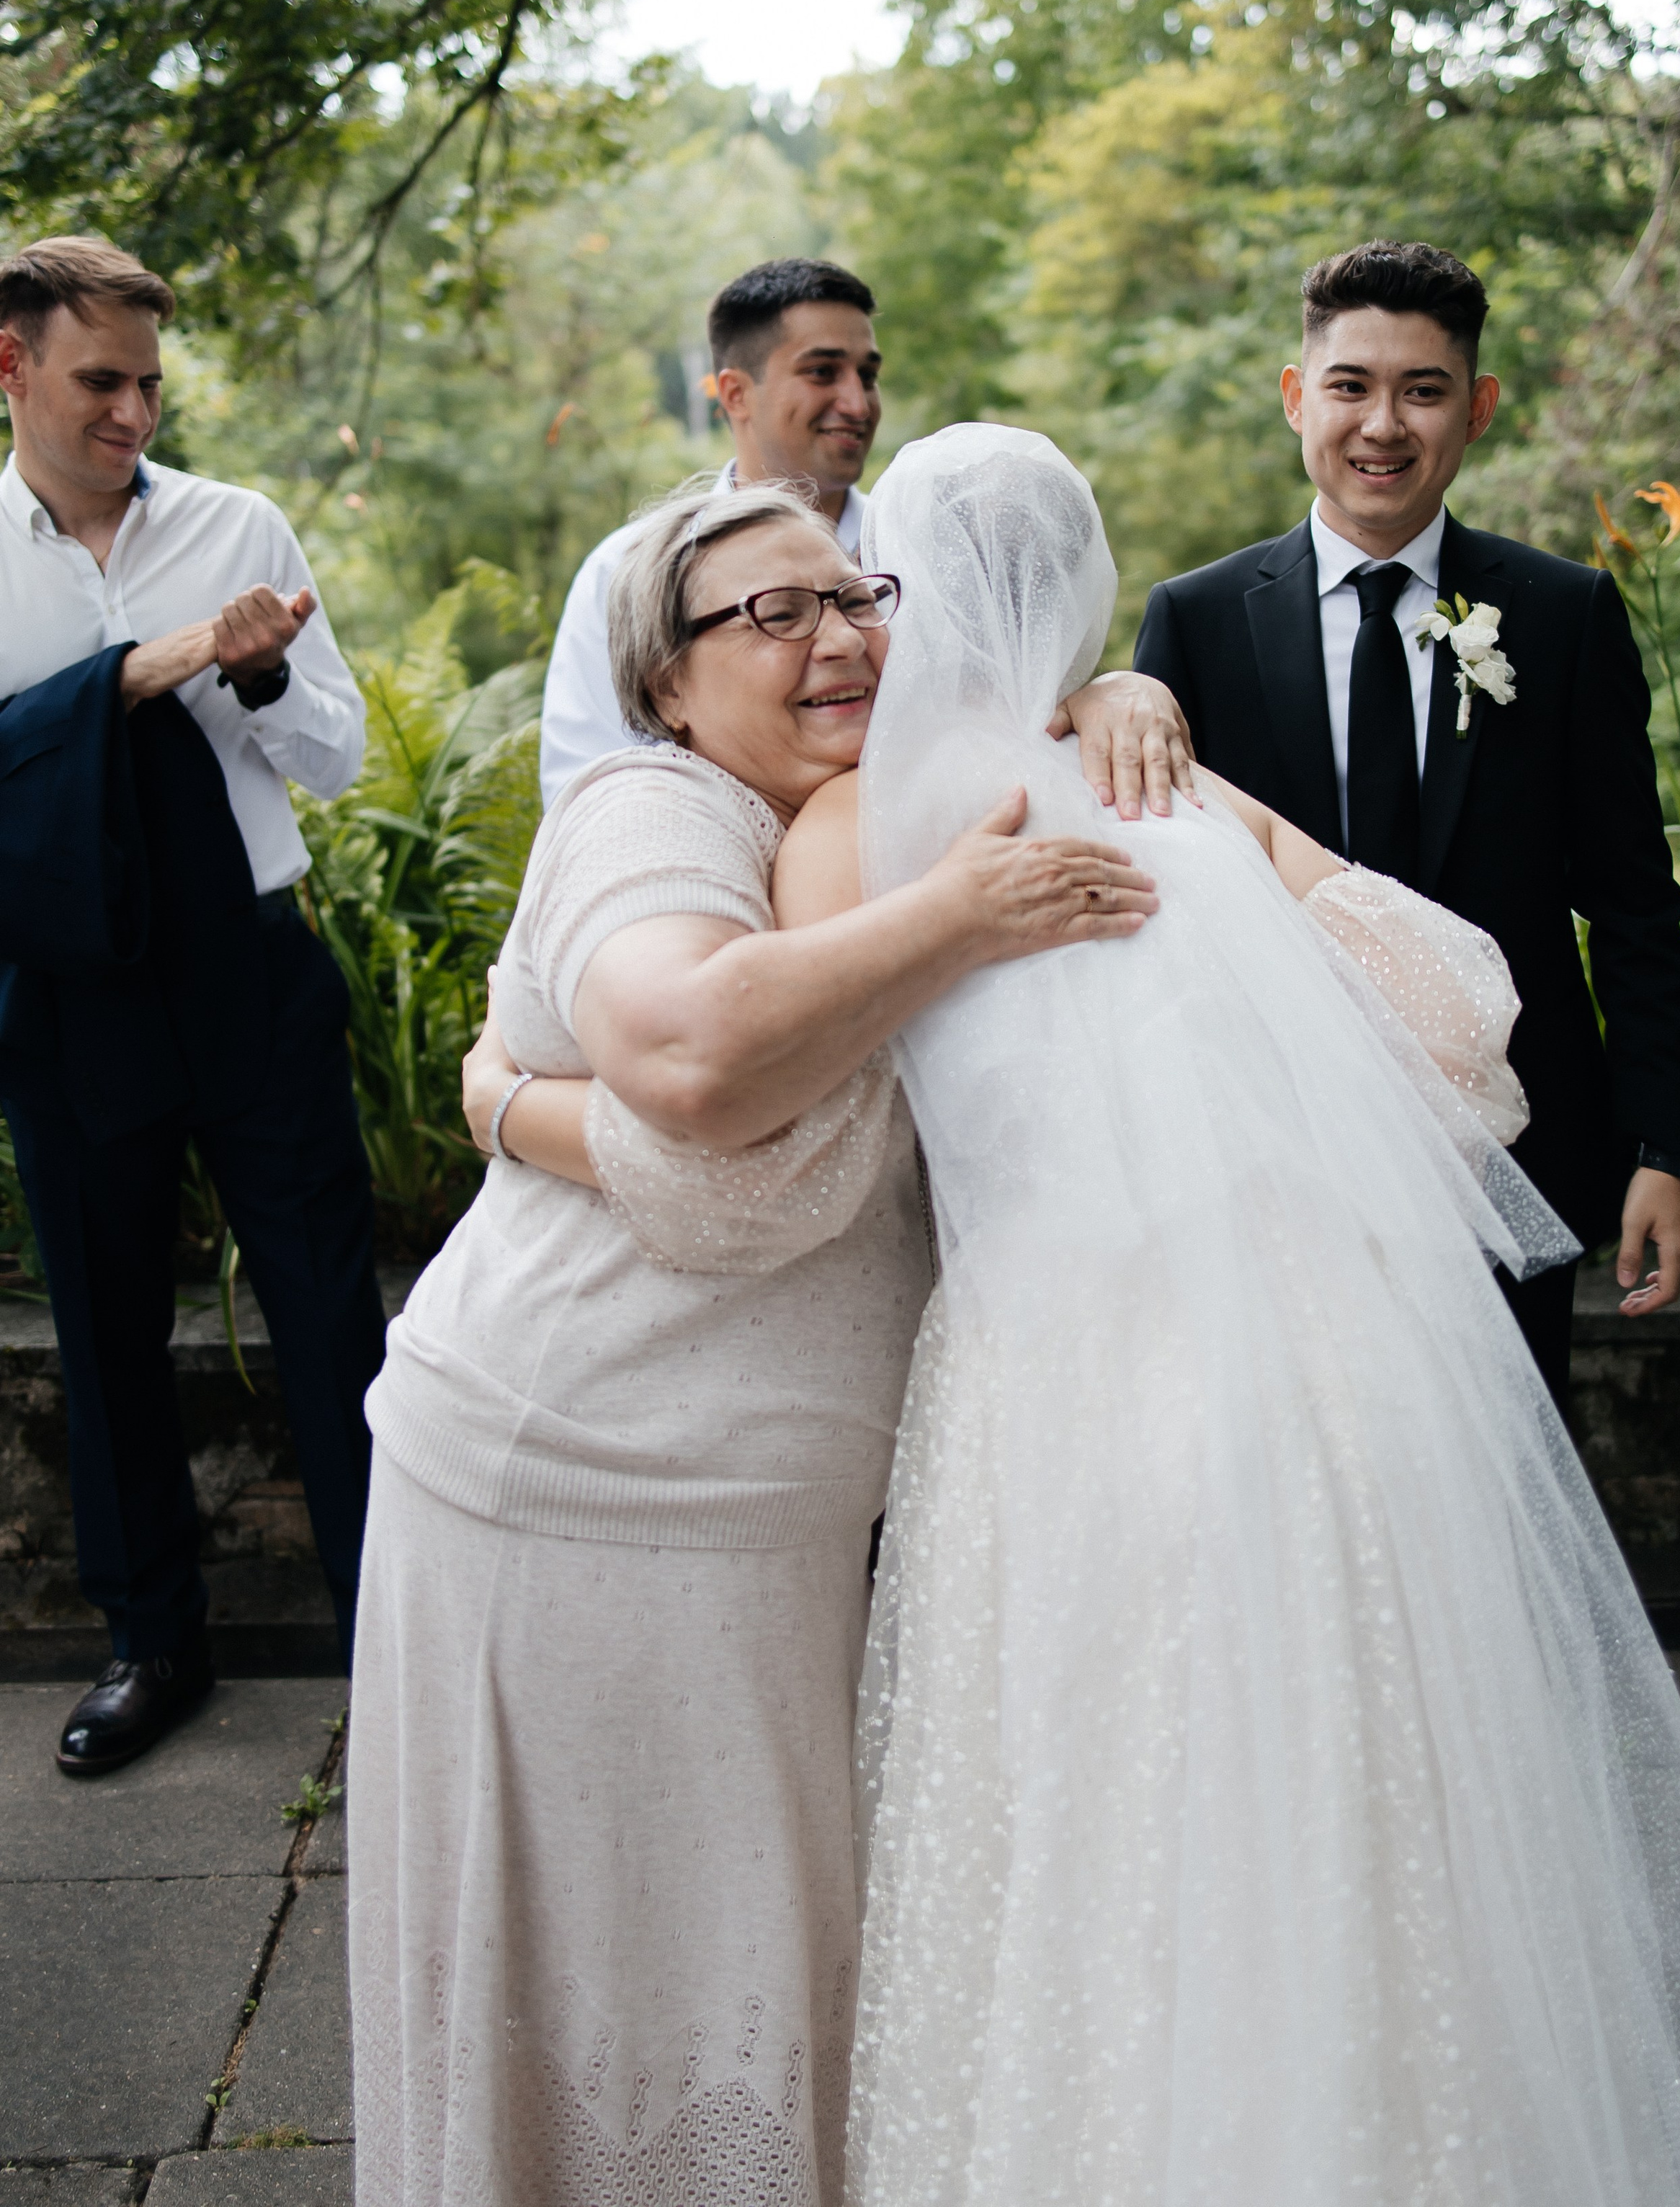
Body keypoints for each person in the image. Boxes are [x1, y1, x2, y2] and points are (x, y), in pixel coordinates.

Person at [808, 424, 1680, 2206]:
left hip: (1063, 1377)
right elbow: (1460, 1013)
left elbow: (802, 1105)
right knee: (1360, 1837)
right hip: (1328, 1365)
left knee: (1099, 1831)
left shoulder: (850, 828)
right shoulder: (1171, 787)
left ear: (897, 592)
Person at [347, 476, 1155, 2207]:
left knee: (771, 1983)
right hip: (570, 1479)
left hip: (776, 1518)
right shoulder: (651, 813)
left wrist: (1105, 693)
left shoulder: (892, 803)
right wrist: (966, 910)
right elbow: (706, 1073)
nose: (835, 636)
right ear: (663, 683)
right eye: (766, 613)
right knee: (612, 2003)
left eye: (854, 593)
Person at [1133, 238, 1680, 1409]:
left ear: (1479, 409)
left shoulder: (1565, 614)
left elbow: (1636, 905)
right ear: (1300, 399)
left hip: (1517, 1149)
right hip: (1273, 1154)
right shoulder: (1193, 624)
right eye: (1350, 386)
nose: (1382, 424)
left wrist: (1663, 1148)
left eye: (1423, 389)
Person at [0, 234, 385, 1775]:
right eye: (101, 380)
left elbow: (341, 757)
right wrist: (141, 670)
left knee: (329, 1316)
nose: (134, 413)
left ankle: (392, 1639)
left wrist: (255, 676)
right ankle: (151, 1643)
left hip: (250, 966)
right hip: (68, 990)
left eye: (151, 382)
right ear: (11, 367)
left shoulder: (240, 525)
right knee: (100, 1326)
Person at [540, 254, 1197, 821]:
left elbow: (1013, 702)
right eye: (823, 372)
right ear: (736, 394)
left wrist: (1108, 692)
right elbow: (586, 790)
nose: (858, 402)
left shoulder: (939, 552)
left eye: (869, 374)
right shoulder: (624, 574)